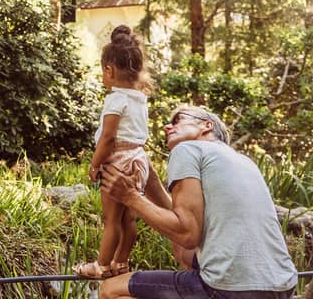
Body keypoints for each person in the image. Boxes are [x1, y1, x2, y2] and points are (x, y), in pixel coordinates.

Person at [97, 105, 298, 299]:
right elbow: (185, 228)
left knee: (110, 290)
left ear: (206, 126)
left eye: (178, 120)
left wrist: (130, 196)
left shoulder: (187, 149)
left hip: (229, 289)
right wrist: (149, 177)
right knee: (186, 254)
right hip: (282, 285)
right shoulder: (244, 161)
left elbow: (186, 233)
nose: (168, 127)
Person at [73, 25, 152, 279]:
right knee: (128, 218)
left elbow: (107, 139)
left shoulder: (115, 99)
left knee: (111, 220)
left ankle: (102, 265)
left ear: (109, 69)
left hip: (117, 160)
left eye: (102, 72)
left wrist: (95, 165)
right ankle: (121, 263)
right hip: (137, 159)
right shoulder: (140, 99)